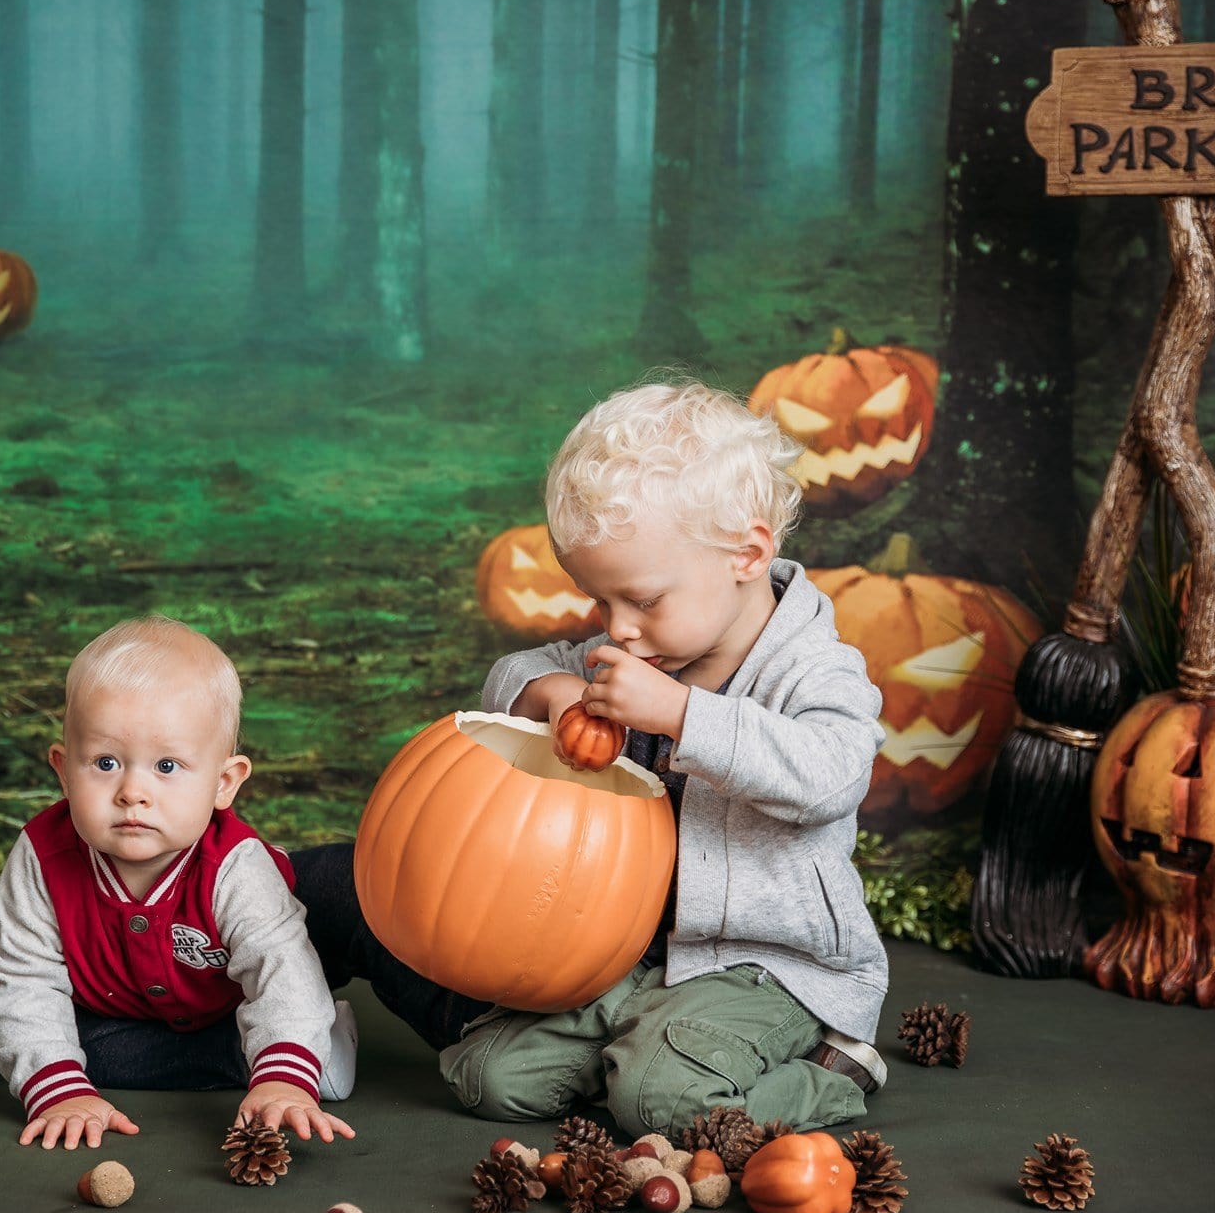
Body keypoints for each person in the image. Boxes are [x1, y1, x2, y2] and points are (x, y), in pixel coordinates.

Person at [295, 378, 890, 1137]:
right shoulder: (648, 642)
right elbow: (514, 673)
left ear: (747, 552)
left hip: (769, 968)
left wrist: (680, 715)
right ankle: (645, 1053)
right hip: (632, 965)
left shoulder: (812, 667)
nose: (619, 629)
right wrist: (545, 688)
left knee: (661, 1104)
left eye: (641, 600)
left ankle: (831, 1073)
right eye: (600, 602)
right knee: (488, 1076)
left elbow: (829, 773)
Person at [0, 616, 357, 1151]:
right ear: (64, 772)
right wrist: (59, 1090)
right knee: (65, 1043)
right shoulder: (42, 859)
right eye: (105, 763)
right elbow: (20, 974)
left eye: (167, 766)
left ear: (223, 783)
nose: (133, 791)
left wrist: (283, 1079)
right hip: (119, 1013)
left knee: (297, 983)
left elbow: (279, 964)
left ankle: (294, 1049)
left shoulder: (236, 866)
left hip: (227, 997)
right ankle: (290, 1051)